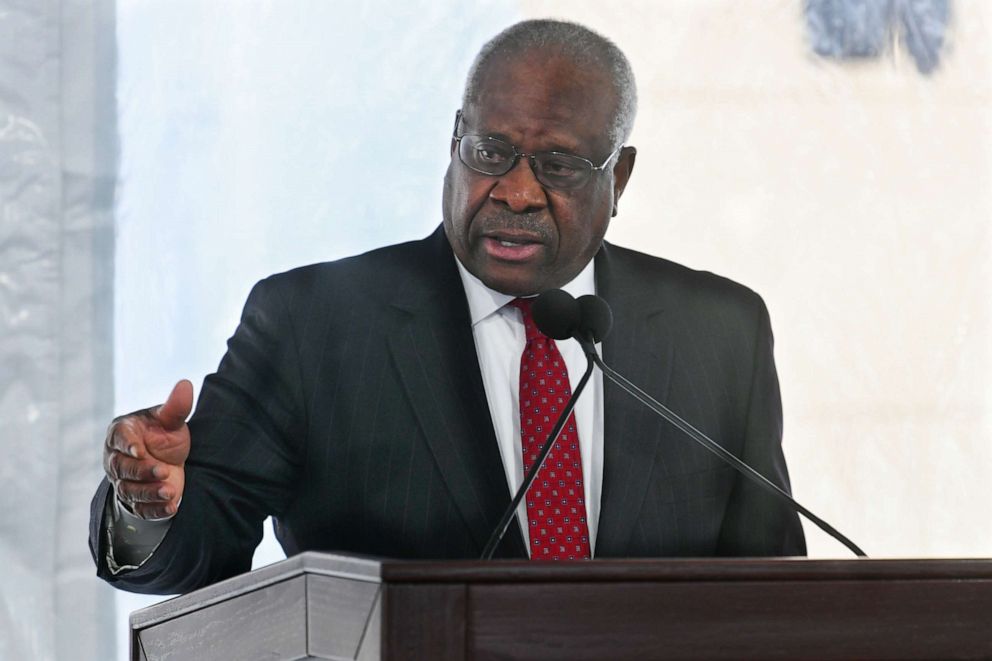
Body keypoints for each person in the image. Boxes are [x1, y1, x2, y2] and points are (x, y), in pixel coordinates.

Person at [91, 19, 805, 595]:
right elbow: (206, 542)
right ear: (453, 141)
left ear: (618, 176)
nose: (516, 192)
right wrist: (152, 504)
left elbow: (778, 599)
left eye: (556, 166)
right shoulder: (312, 325)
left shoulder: (719, 332)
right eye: (490, 151)